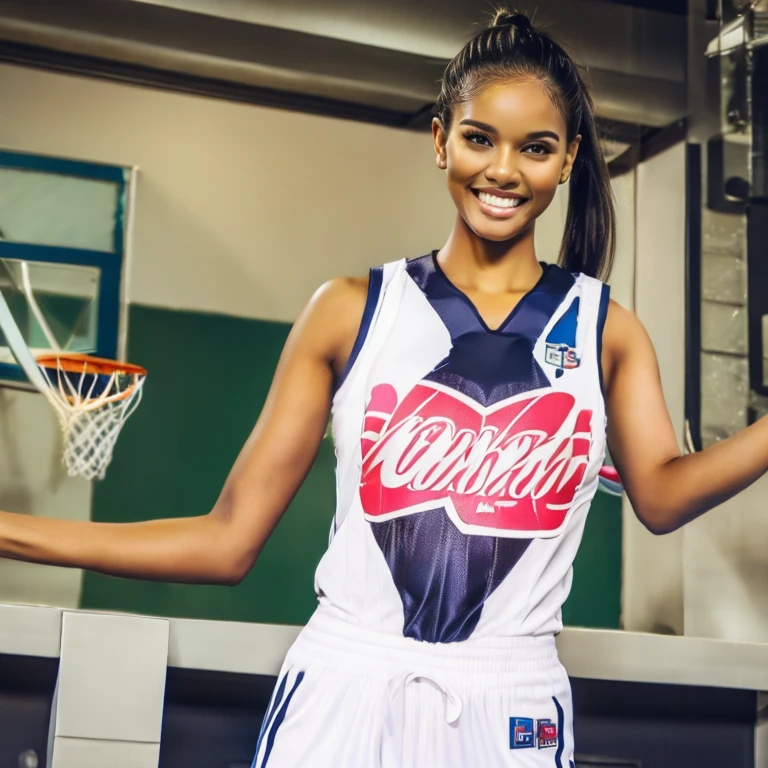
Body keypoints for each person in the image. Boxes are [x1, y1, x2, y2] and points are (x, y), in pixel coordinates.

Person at [2, 7, 767, 767]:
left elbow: (661, 497)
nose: (503, 171)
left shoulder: (607, 331)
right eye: (478, 138)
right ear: (441, 140)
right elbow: (227, 539)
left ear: (567, 160)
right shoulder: (348, 311)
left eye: (535, 148)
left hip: (511, 702)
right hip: (347, 683)